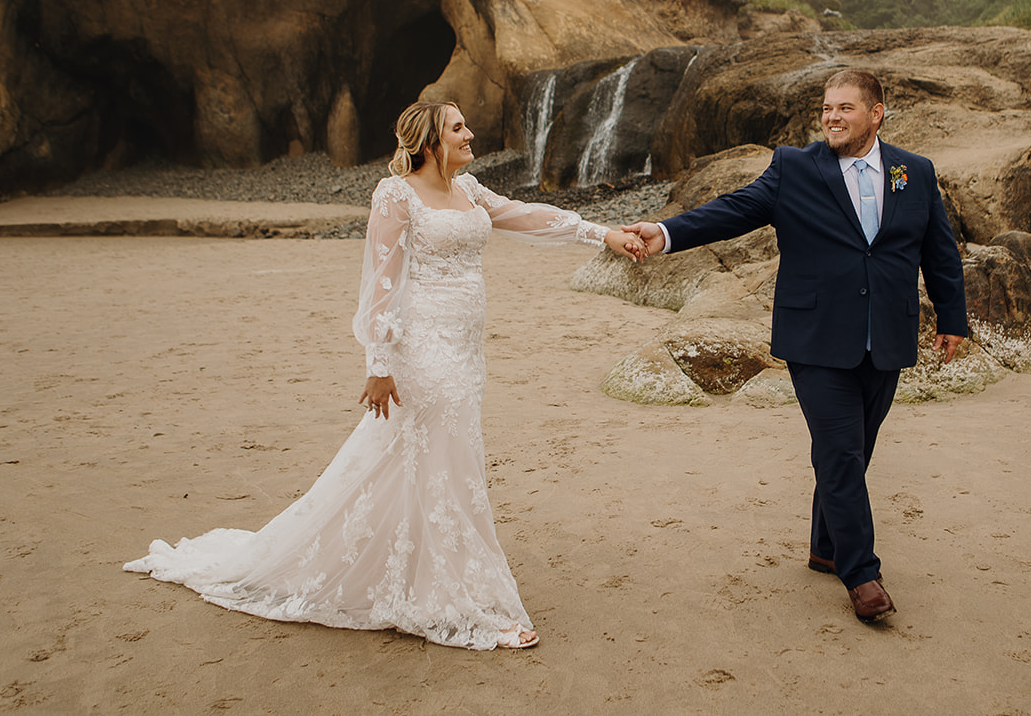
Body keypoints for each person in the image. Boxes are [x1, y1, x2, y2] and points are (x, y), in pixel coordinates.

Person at [126, 100, 645, 650]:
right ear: (429, 142)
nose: (471, 134)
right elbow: (381, 283)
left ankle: (405, 571)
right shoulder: (395, 195)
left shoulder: (469, 190)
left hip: (466, 352)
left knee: (420, 460)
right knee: (450, 462)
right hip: (422, 352)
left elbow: (521, 213)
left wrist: (602, 233)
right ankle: (462, 603)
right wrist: (379, 366)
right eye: (458, 128)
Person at [624, 69, 967, 624]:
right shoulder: (795, 167)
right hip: (815, 338)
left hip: (887, 337)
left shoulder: (915, 172)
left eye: (845, 108)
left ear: (876, 113)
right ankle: (861, 573)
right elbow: (733, 210)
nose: (832, 117)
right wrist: (667, 234)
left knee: (855, 451)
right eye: (827, 108)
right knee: (841, 453)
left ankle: (825, 547)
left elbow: (939, 251)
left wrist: (953, 318)